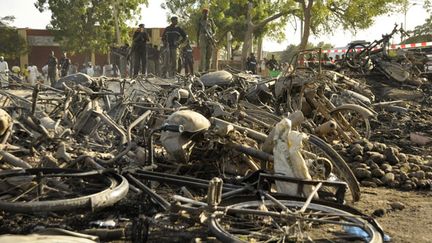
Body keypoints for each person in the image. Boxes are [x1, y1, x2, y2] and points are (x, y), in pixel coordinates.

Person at [197, 8, 215, 72]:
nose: (206, 14)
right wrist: (197, 42)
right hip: (202, 37)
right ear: (202, 14)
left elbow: (214, 31)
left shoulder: (210, 21)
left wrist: (212, 36)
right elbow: (198, 32)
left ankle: (207, 70)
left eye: (207, 13)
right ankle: (201, 70)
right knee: (203, 55)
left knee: (209, 55)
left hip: (210, 38)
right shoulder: (200, 21)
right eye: (204, 13)